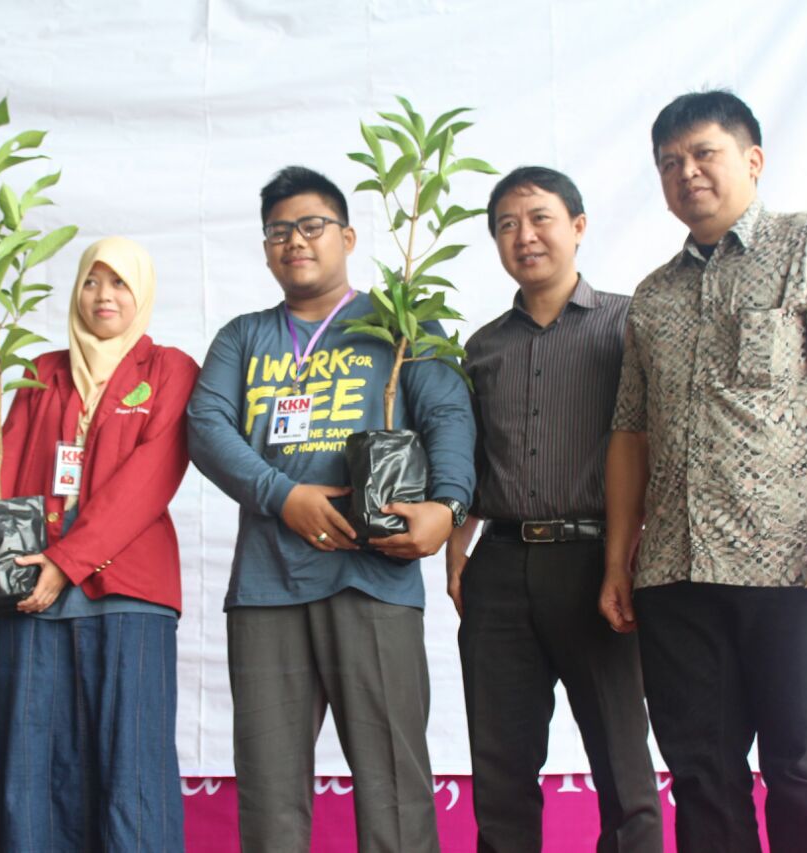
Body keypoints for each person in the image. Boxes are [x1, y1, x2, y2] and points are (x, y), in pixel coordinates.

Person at [599, 91, 807, 853]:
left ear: (752, 159)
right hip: (673, 571)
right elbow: (630, 432)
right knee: (701, 773)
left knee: (799, 763)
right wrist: (618, 561)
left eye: (704, 153)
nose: (686, 172)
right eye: (670, 162)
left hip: (790, 561)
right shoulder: (654, 296)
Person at [187, 165, 476, 852]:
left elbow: (449, 415)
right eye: (278, 231)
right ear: (266, 249)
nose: (295, 240)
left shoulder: (402, 326)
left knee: (395, 788)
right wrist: (282, 495)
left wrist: (448, 507)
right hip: (268, 586)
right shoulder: (243, 337)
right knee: (270, 794)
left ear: (346, 237)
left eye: (312, 225)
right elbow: (204, 425)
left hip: (374, 575)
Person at [0, 236, 198, 852]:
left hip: (128, 596)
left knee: (131, 773)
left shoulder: (169, 370)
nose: (103, 295)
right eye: (91, 281)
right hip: (31, 594)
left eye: (119, 282)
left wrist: (67, 561)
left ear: (142, 293)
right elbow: (0, 468)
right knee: (26, 770)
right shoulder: (43, 372)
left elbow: (148, 481)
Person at [448, 166, 662, 852]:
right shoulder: (483, 347)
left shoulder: (629, 323)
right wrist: (458, 549)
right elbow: (473, 460)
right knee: (501, 770)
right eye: (507, 226)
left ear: (578, 225)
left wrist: (629, 555)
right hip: (500, 565)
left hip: (599, 561)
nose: (525, 236)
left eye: (540, 218)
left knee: (623, 765)